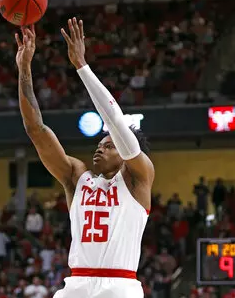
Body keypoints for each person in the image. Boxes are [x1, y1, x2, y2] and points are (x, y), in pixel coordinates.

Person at [15, 20, 154, 298]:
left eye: (109, 145)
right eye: (99, 145)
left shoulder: (139, 177)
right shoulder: (77, 177)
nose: (99, 149)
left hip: (119, 286)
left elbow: (114, 120)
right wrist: (24, 70)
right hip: (76, 285)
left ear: (126, 153)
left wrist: (81, 65)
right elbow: (36, 130)